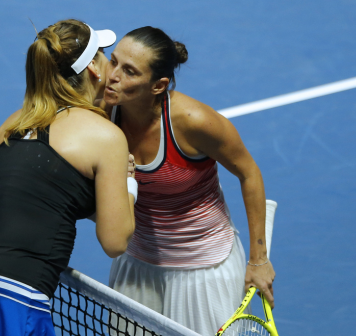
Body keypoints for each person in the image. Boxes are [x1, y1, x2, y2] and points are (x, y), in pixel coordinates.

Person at [0, 19, 137, 336]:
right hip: (16, 301)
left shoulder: (14, 122)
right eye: (104, 54)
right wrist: (129, 185)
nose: (109, 64)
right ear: (93, 66)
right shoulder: (105, 137)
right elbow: (115, 241)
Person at [103, 26, 276, 334]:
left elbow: (249, 173)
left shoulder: (194, 122)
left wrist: (258, 260)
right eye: (112, 61)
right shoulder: (102, 112)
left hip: (203, 268)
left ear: (158, 86)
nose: (112, 75)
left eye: (129, 71)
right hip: (137, 263)